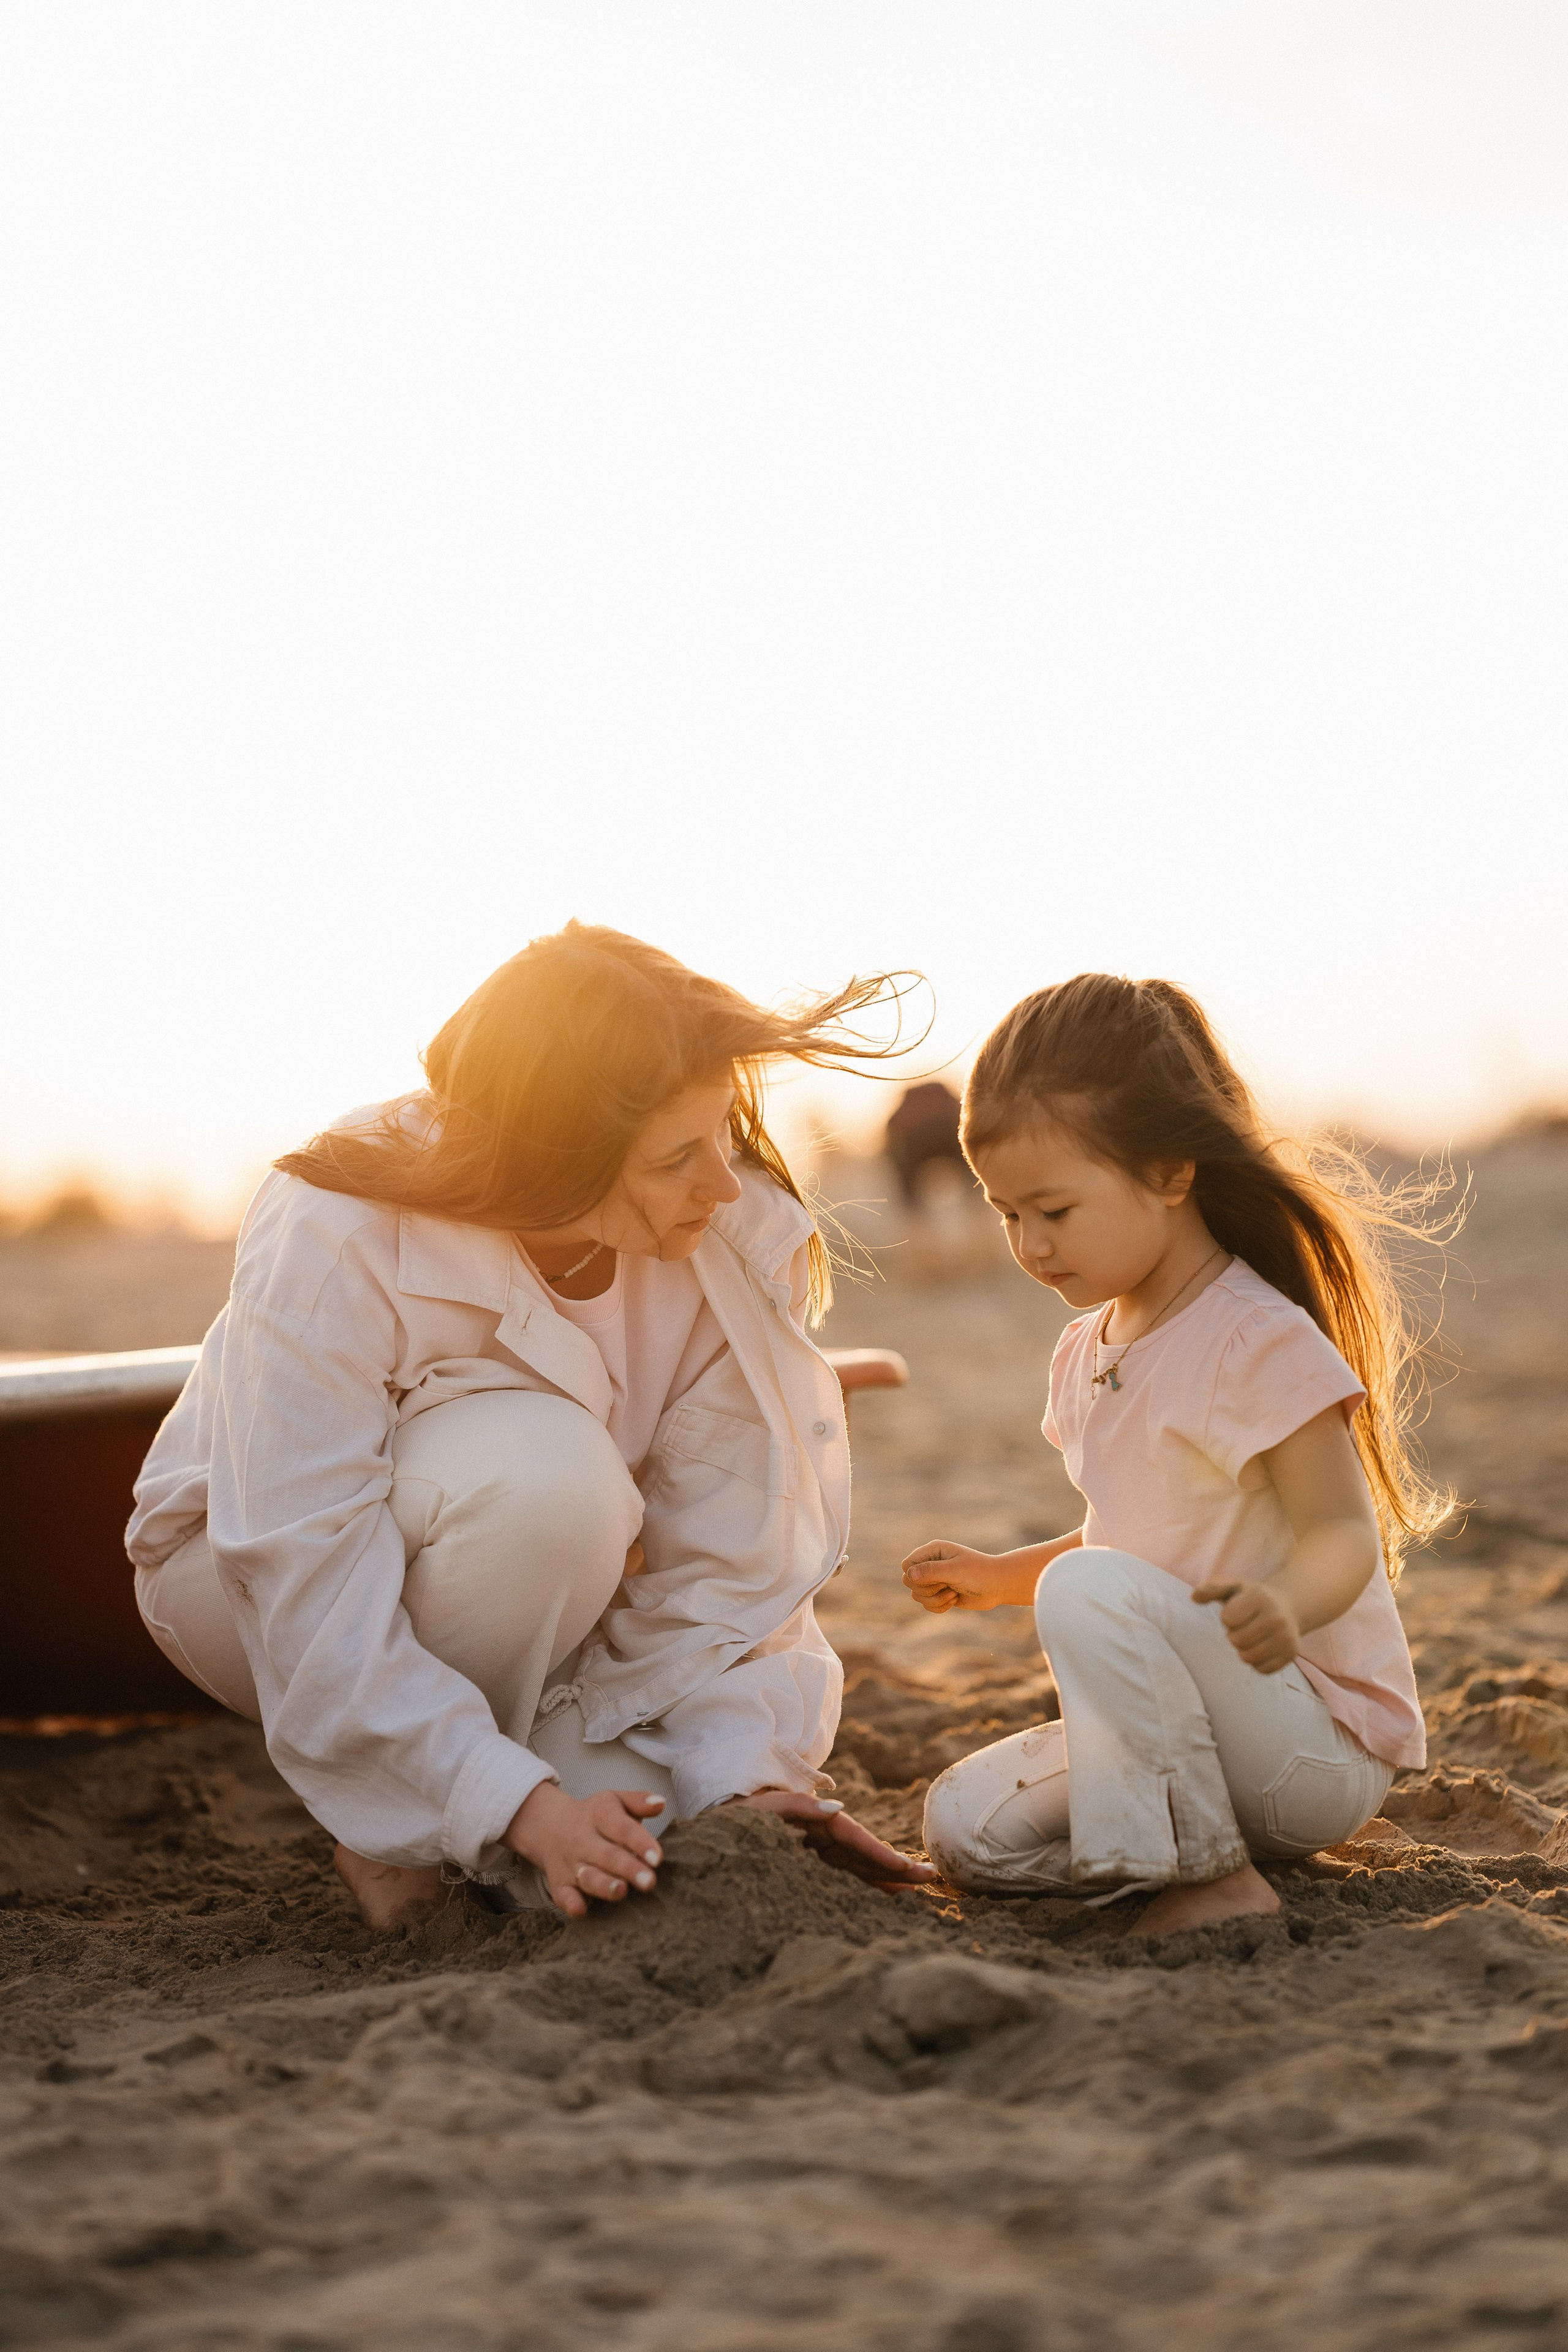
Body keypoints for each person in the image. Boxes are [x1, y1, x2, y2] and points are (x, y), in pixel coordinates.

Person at [128, 924, 937, 1927]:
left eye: (721, 1132)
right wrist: (508, 1800)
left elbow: (731, 1563)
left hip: (545, 1596)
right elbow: (301, 1570)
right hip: (244, 1586)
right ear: (555, 1158)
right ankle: (385, 1829)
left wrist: (751, 1785)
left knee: (655, 1836)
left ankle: (458, 1785)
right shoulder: (334, 1216)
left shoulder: (729, 1232)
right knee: (552, 1482)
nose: (724, 1183)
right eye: (677, 1156)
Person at [901, 974, 1450, 1936]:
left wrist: (1286, 1602)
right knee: (961, 1826)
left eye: (1055, 1210)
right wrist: (1000, 1576)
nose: (1029, 1244)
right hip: (1191, 1737)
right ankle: (1166, 1853)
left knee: (1088, 1592)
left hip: (1305, 1742)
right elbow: (1120, 1547)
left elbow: (1341, 1536)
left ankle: (1212, 1882)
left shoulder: (1253, 1338)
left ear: (1170, 1172)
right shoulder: (1089, 1349)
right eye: (1005, 1214)